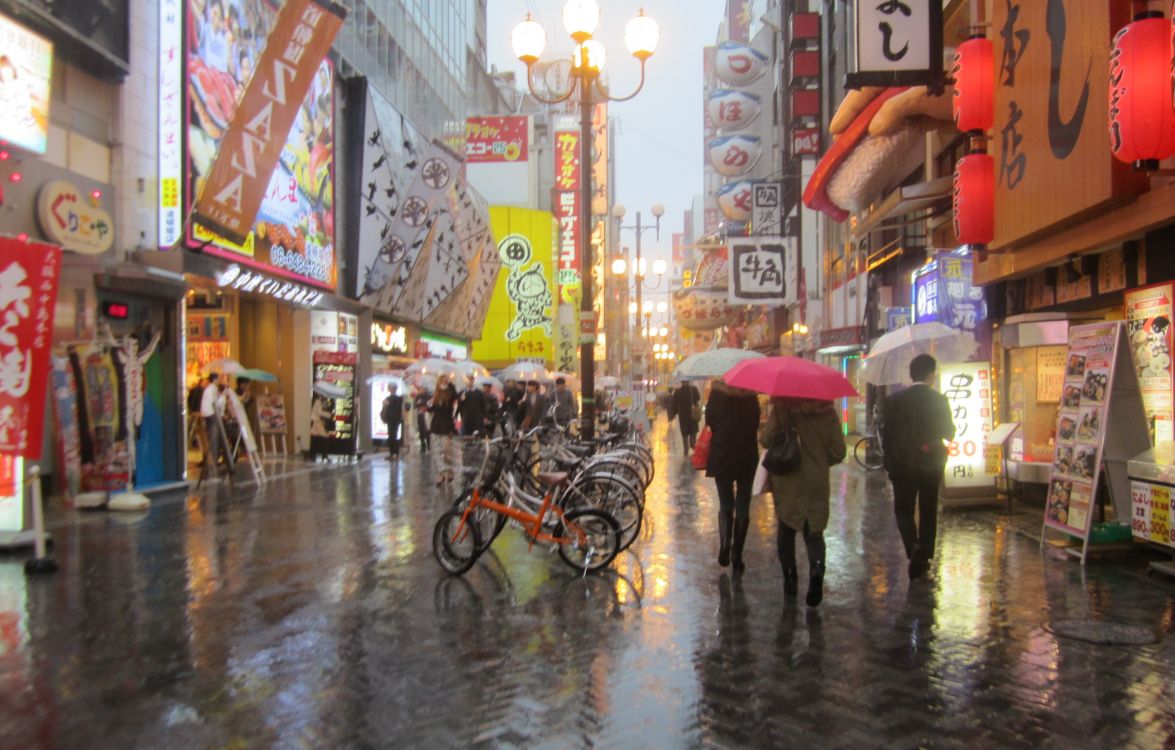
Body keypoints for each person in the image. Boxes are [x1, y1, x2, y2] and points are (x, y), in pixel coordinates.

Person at [760, 397, 847, 606]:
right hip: (816, 479)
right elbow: (838, 451)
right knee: (814, 532)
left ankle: (790, 577)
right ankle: (816, 569)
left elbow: (766, 440)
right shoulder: (827, 412)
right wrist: (820, 461)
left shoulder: (782, 409)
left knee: (786, 529)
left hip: (788, 477)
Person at [881, 354, 956, 580]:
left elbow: (887, 435)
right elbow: (949, 433)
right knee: (928, 509)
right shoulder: (939, 400)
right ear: (931, 375)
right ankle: (924, 555)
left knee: (903, 510)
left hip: (903, 464)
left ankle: (913, 548)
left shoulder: (894, 401)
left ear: (911, 374)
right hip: (931, 463)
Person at [705, 381, 761, 572]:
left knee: (726, 502)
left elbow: (710, 420)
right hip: (747, 454)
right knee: (743, 503)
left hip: (723, 453)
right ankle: (737, 555)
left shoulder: (717, 393)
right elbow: (755, 424)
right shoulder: (751, 396)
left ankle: (725, 546)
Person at [429, 381, 458, 485]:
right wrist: (430, 402)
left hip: (447, 428)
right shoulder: (435, 397)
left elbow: (456, 395)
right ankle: (440, 474)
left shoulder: (450, 397)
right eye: (442, 380)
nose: (443, 383)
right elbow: (429, 409)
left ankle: (450, 471)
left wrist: (450, 383)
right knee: (436, 452)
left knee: (447, 453)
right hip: (435, 428)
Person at [199, 373, 227, 474]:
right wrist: (223, 396)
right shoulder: (213, 389)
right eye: (218, 378)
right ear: (215, 379)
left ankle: (212, 462)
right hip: (212, 415)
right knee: (214, 439)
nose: (219, 380)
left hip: (208, 415)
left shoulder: (209, 388)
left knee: (213, 438)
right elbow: (216, 403)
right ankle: (213, 463)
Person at [673, 381, 702, 455]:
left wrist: (676, 412)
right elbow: (698, 398)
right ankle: (693, 444)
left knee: (684, 432)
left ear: (682, 382)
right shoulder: (694, 389)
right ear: (688, 382)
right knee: (693, 430)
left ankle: (686, 449)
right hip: (692, 413)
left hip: (682, 415)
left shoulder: (677, 391)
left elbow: (674, 403)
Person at [381, 387, 405, 459]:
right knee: (390, 436)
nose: (391, 389)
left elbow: (398, 408)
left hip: (395, 419)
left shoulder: (398, 398)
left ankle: (395, 453)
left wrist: (388, 404)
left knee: (394, 435)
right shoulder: (388, 398)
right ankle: (391, 453)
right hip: (389, 419)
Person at [414, 386, 432, 452]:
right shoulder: (418, 396)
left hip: (427, 414)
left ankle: (429, 445)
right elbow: (415, 405)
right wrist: (418, 405)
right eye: (422, 388)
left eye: (424, 388)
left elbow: (431, 405)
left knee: (427, 430)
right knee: (421, 430)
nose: (423, 389)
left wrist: (425, 407)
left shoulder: (429, 396)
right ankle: (423, 445)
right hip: (420, 415)